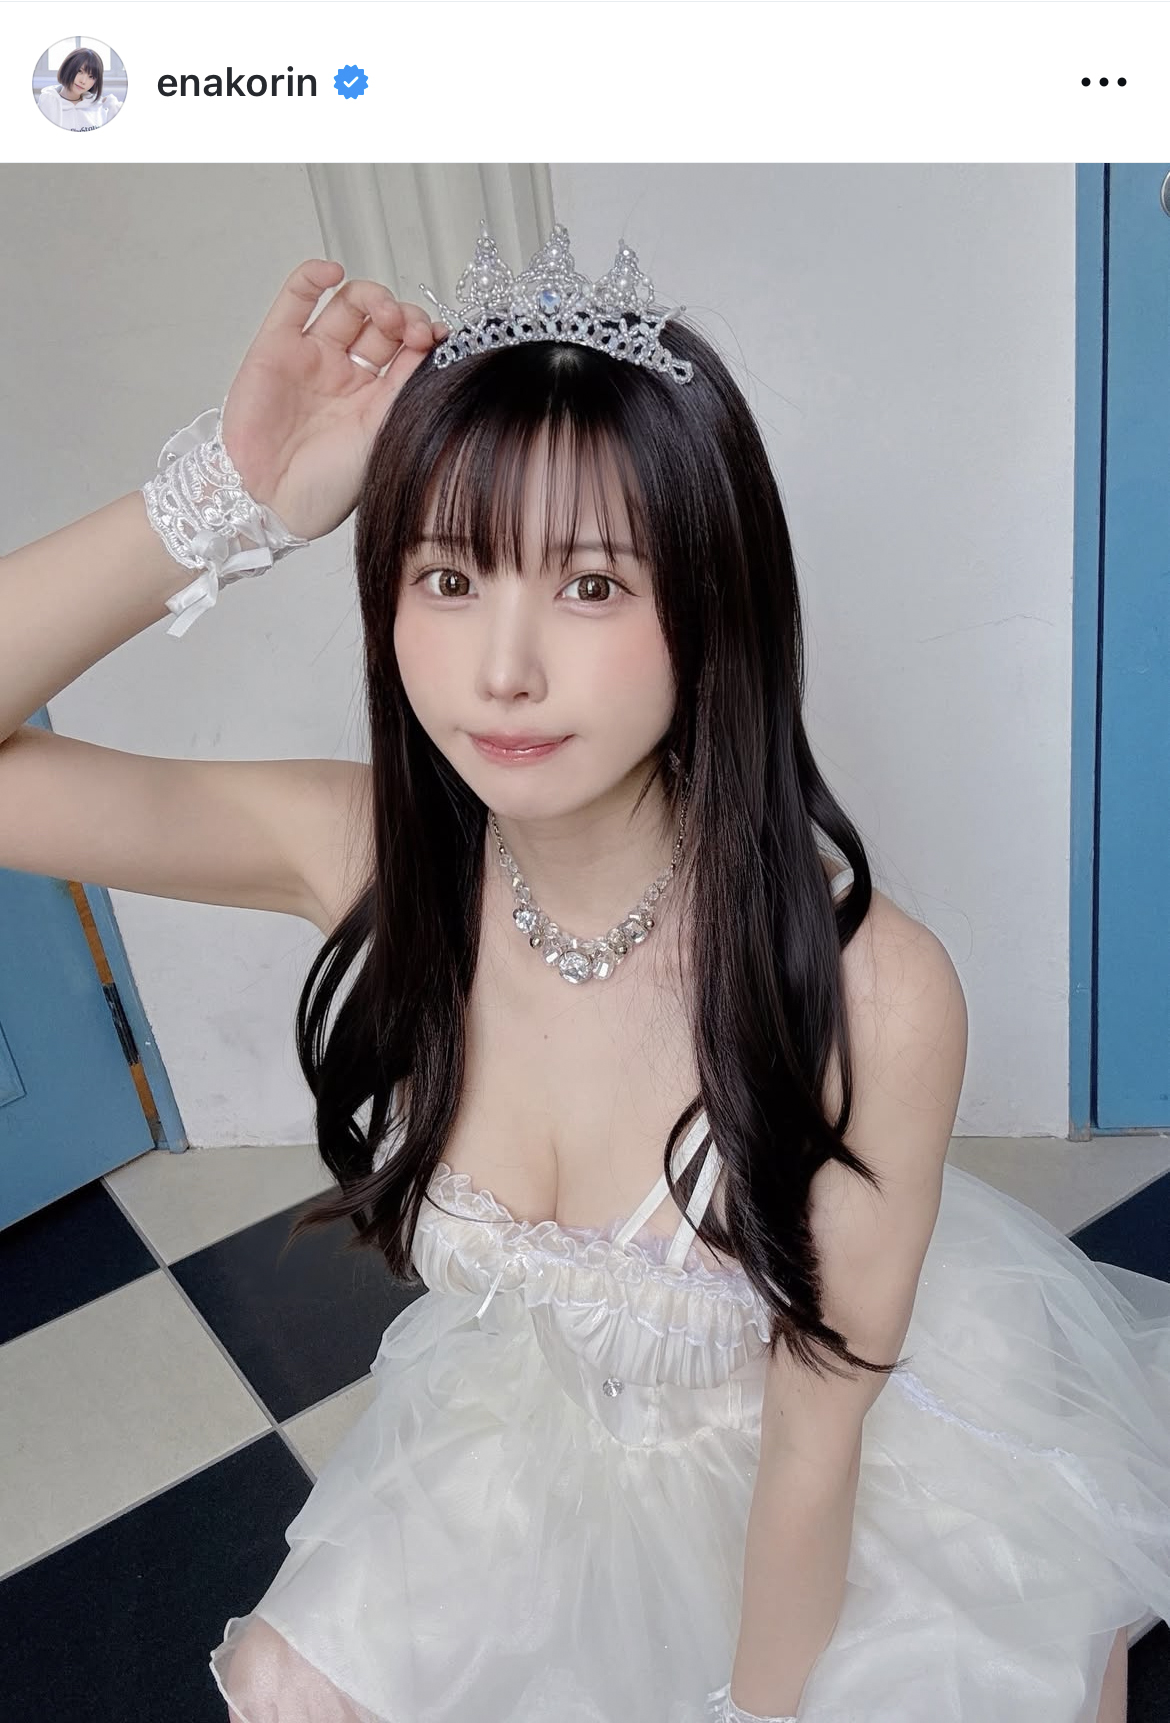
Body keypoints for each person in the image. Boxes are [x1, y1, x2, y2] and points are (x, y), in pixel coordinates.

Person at [1, 232, 1167, 1723]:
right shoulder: (363, 856)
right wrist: (230, 495)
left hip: (823, 1493)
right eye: (447, 575)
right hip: (540, 1449)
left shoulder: (871, 993)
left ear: (711, 606)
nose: (502, 666)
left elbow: (813, 1450)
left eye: (592, 584)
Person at [36, 47, 122, 132]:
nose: (83, 81)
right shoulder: (47, 103)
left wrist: (112, 104)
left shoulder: (98, 106)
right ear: (67, 68)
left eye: (91, 76)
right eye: (80, 71)